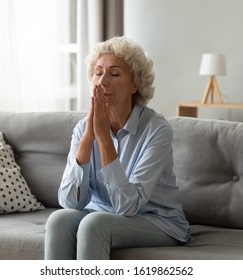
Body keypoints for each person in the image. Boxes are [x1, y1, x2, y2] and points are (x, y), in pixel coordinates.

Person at [44, 36, 191, 260]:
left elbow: (127, 206)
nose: (103, 81)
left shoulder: (157, 130)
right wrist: (87, 139)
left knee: (95, 224)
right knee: (58, 219)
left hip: (157, 220)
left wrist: (103, 140)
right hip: (103, 213)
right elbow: (69, 202)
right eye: (98, 72)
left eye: (114, 74)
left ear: (135, 84)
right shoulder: (82, 128)